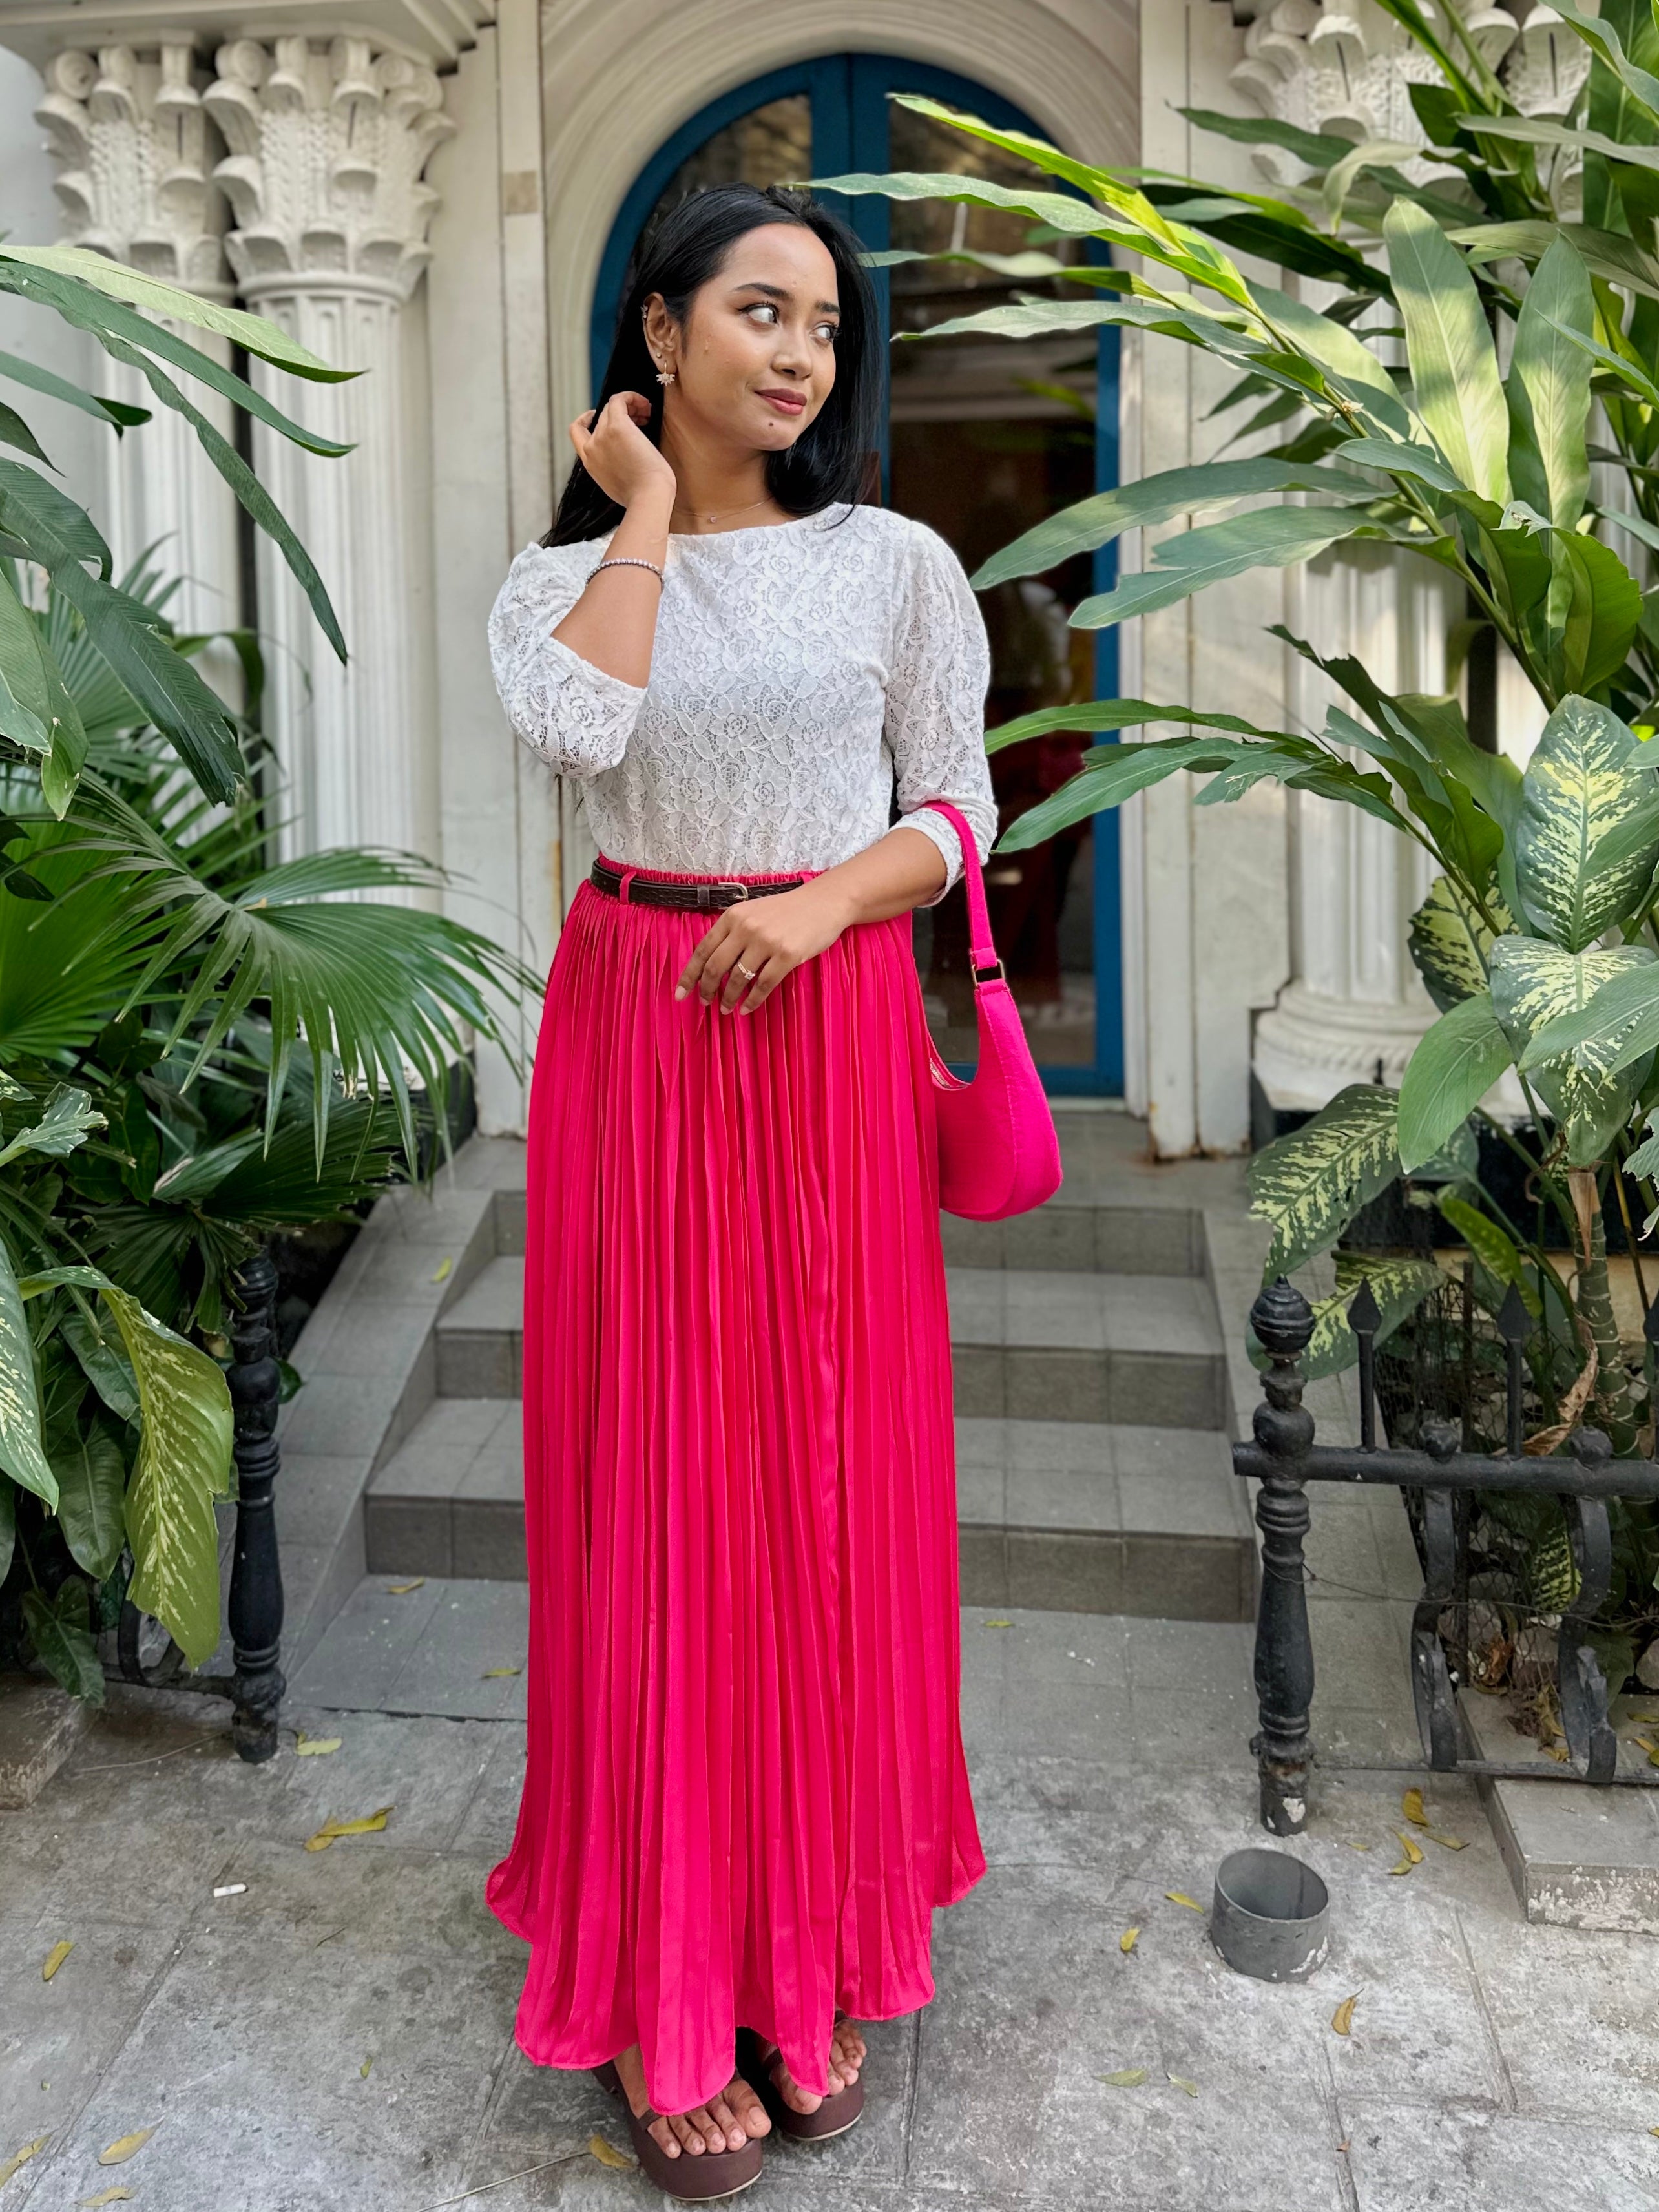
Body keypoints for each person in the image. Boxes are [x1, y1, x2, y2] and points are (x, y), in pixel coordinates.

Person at [485, 182, 997, 2202]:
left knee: (827, 1483)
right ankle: (668, 1980)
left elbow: (958, 808)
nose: (802, 353)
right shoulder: (561, 580)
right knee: (659, 1488)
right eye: (762, 311)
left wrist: (819, 902)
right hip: (643, 1036)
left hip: (828, 1026)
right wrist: (636, 512)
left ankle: (809, 1944)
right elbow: (576, 726)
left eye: (827, 325)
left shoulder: (894, 562)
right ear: (664, 329)